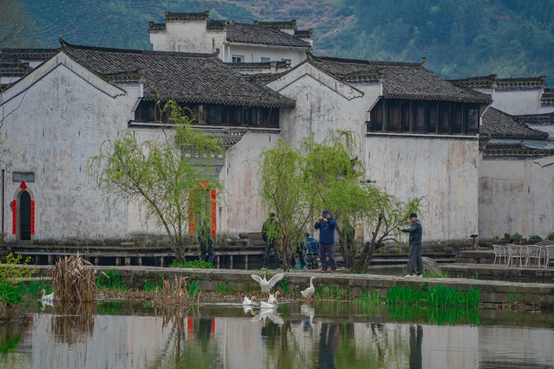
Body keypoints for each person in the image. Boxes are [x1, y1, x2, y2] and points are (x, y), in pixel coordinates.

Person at [397, 212, 423, 277]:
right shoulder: (417, 224)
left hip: (415, 244)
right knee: (418, 258)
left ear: (414, 218)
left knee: (413, 258)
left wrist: (402, 229)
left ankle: (411, 273)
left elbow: (410, 230)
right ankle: (420, 274)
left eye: (411, 218)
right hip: (417, 243)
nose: (410, 220)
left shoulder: (416, 224)